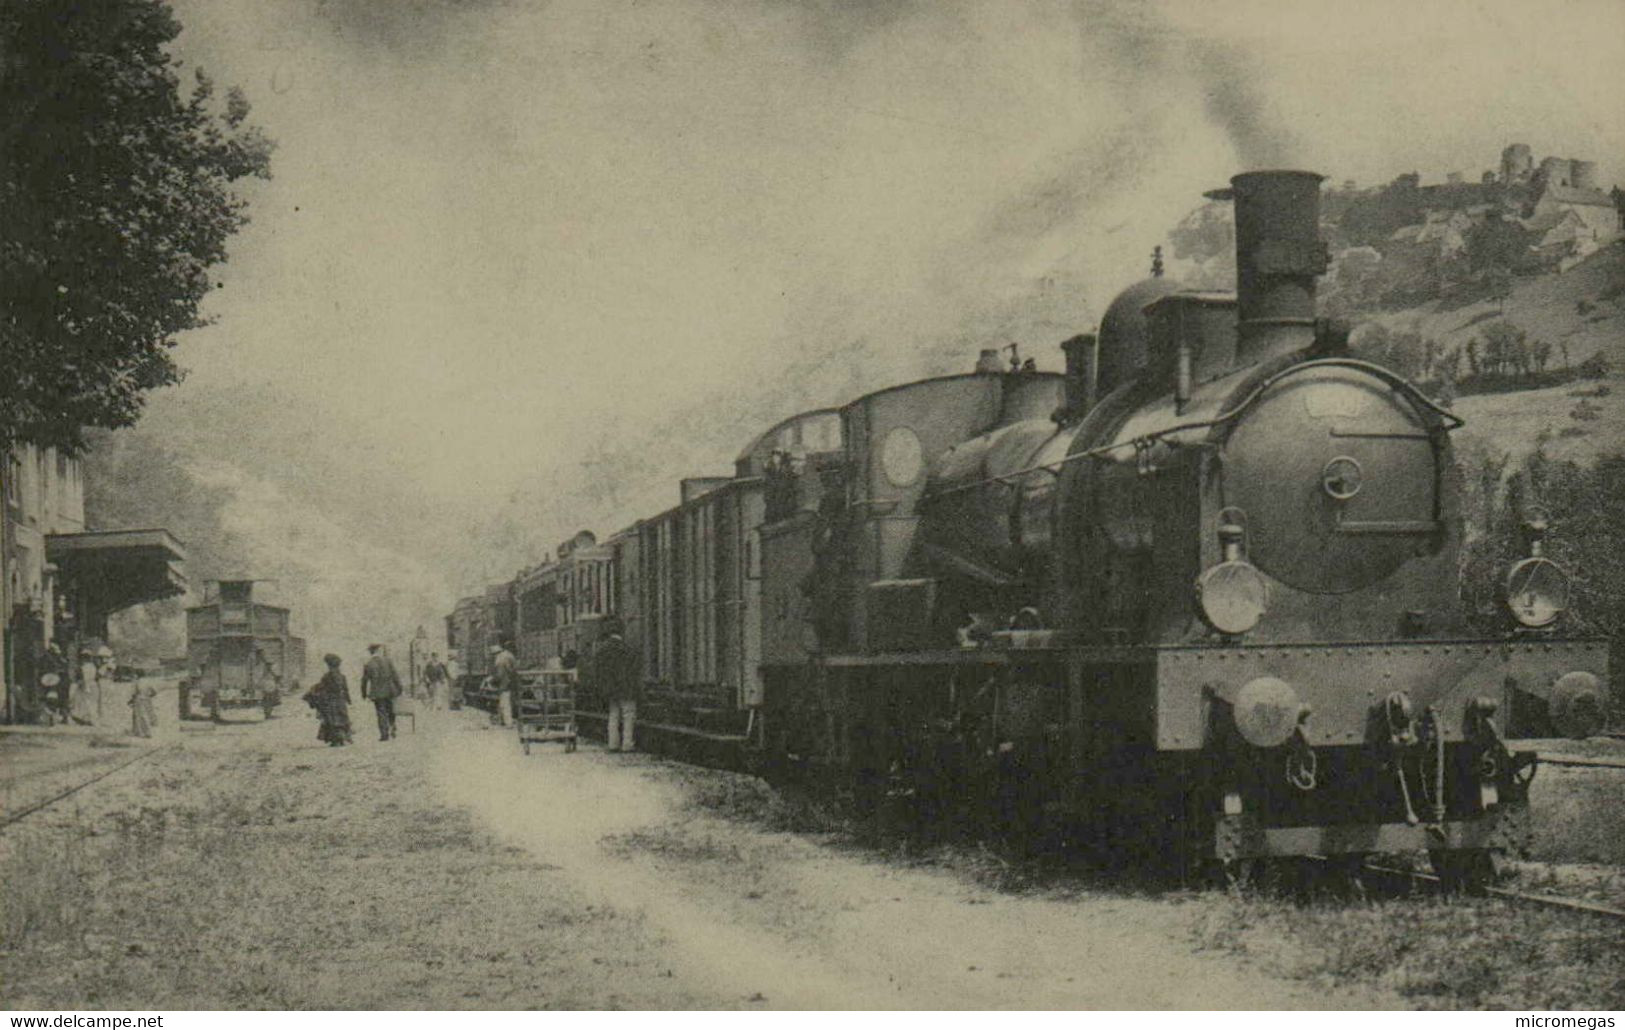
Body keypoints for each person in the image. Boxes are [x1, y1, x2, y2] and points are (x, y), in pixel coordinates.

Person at [592, 619, 640, 752]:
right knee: (628, 715)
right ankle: (627, 744)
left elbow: (598, 670)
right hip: (626, 688)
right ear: (621, 632)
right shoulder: (627, 648)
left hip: (611, 689)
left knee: (613, 715)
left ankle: (613, 744)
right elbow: (634, 669)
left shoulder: (602, 650)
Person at [304, 653, 352, 746]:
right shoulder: (342, 676)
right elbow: (345, 689)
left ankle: (335, 740)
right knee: (341, 719)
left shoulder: (327, 676)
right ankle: (341, 739)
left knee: (331, 720)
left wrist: (313, 692)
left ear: (329, 665)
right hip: (340, 701)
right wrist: (348, 700)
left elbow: (322, 688)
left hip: (330, 701)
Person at [361, 643, 403, 741]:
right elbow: (395, 675)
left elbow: (364, 681)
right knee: (391, 709)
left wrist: (363, 693)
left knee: (381, 712)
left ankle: (384, 734)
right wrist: (399, 688)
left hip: (377, 692)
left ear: (371, 652)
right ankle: (392, 725)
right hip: (390, 690)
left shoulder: (368, 664)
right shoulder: (388, 661)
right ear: (378, 651)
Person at [490, 640, 518, 728]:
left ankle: (508, 723)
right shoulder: (509, 655)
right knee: (505, 702)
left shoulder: (500, 659)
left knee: (505, 704)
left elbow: (499, 674)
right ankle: (502, 720)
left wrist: (492, 680)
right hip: (511, 681)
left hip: (505, 683)